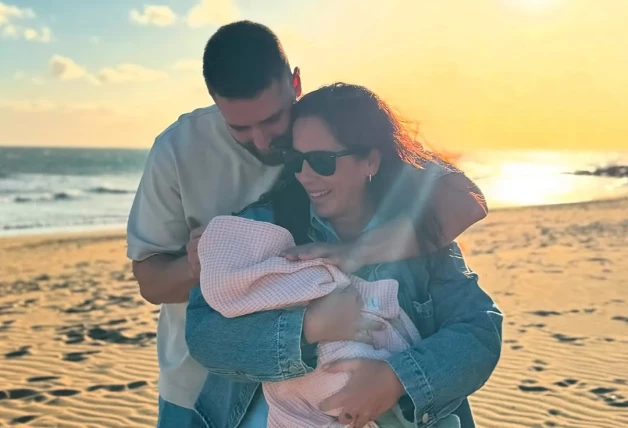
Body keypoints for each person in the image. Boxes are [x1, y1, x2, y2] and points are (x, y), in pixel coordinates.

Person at [127, 21, 488, 427]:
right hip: (207, 386)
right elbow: (154, 285)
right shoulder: (179, 149)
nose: (263, 141)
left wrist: (358, 255)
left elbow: (467, 200)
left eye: (274, 120)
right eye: (240, 128)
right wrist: (209, 261)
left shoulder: (337, 130)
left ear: (295, 84)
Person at [185, 83, 502, 428]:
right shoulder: (268, 227)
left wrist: (397, 380)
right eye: (296, 159)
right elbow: (203, 333)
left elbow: (479, 329)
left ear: (371, 159)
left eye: (322, 161)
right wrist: (307, 327)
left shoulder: (418, 236)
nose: (305, 175)